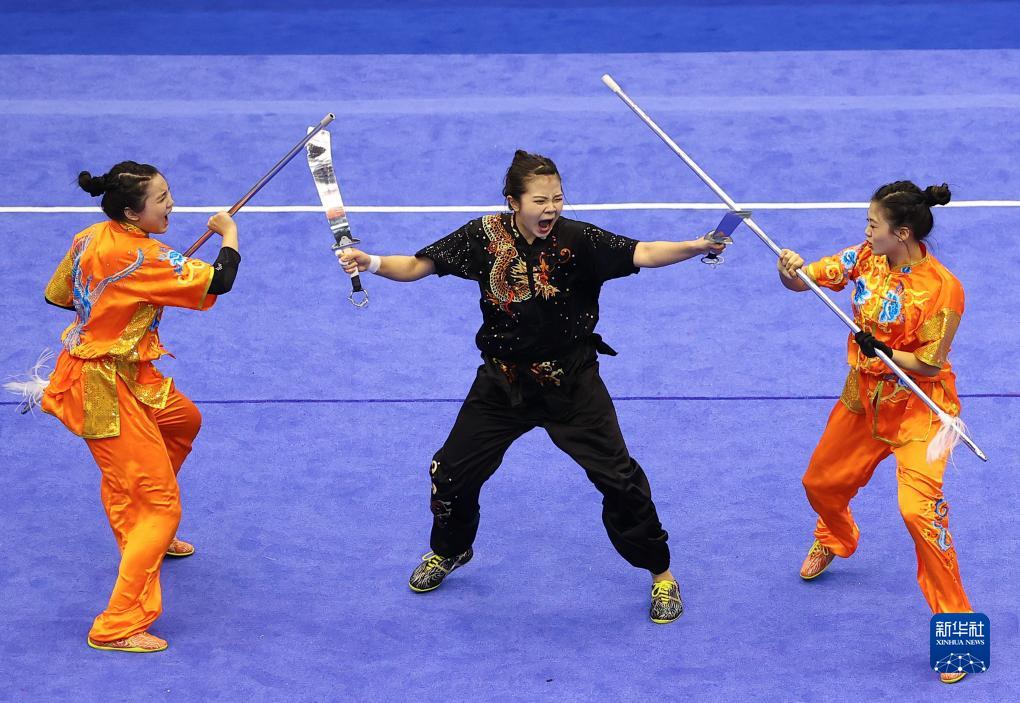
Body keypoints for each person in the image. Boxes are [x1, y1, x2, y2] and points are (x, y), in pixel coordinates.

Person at [337, 150, 725, 623]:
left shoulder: (579, 239)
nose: (551, 208)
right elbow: (419, 266)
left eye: (558, 198)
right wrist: (370, 261)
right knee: (450, 473)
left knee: (620, 481)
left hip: (571, 385)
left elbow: (642, 252)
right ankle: (451, 550)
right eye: (540, 200)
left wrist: (696, 246)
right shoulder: (483, 236)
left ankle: (662, 574)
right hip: (502, 384)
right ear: (513, 202)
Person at [40, 161, 241, 652]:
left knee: (183, 420)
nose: (171, 204)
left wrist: (127, 295)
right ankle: (117, 624)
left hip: (132, 372)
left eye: (168, 193)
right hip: (103, 387)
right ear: (132, 212)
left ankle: (142, 514)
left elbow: (59, 296)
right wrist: (228, 233)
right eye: (162, 199)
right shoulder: (146, 256)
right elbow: (219, 281)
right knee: (160, 506)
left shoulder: (90, 236)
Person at [776, 181, 971, 684]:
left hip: (920, 410)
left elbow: (929, 365)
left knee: (919, 514)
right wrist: (791, 271)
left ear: (901, 232)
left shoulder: (944, 289)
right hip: (862, 400)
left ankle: (958, 632)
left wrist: (884, 352)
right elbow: (809, 281)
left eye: (873, 224)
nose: (866, 231)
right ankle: (837, 536)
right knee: (819, 484)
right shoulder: (866, 257)